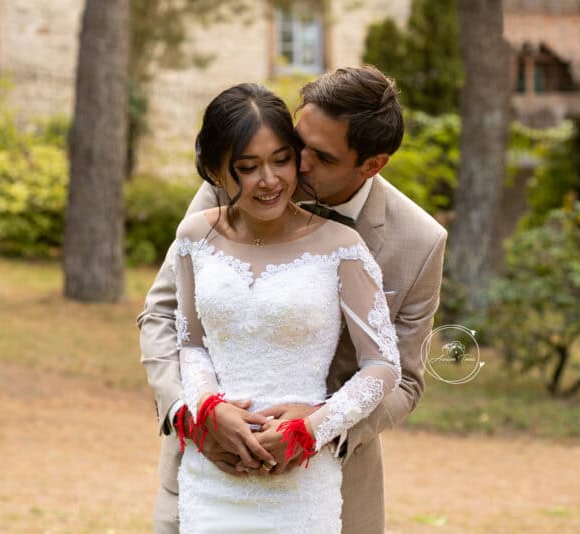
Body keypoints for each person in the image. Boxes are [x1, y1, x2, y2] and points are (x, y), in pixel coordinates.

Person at [138, 66, 447, 534]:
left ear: (372, 164)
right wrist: (194, 413)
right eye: (298, 145)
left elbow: (403, 379)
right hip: (206, 476)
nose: (294, 168)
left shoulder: (418, 242)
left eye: (320, 157)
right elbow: (164, 314)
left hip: (324, 488)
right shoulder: (234, 181)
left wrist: (317, 428)